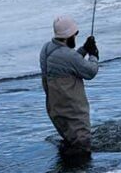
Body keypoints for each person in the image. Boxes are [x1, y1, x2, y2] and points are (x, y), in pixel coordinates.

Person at [40, 15, 100, 156]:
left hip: (55, 108)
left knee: (69, 141)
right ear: (68, 36)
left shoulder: (46, 49)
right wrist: (93, 55)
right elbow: (90, 71)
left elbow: (68, 63)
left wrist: (84, 49)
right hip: (73, 110)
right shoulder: (68, 55)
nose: (75, 37)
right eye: (75, 34)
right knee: (82, 147)